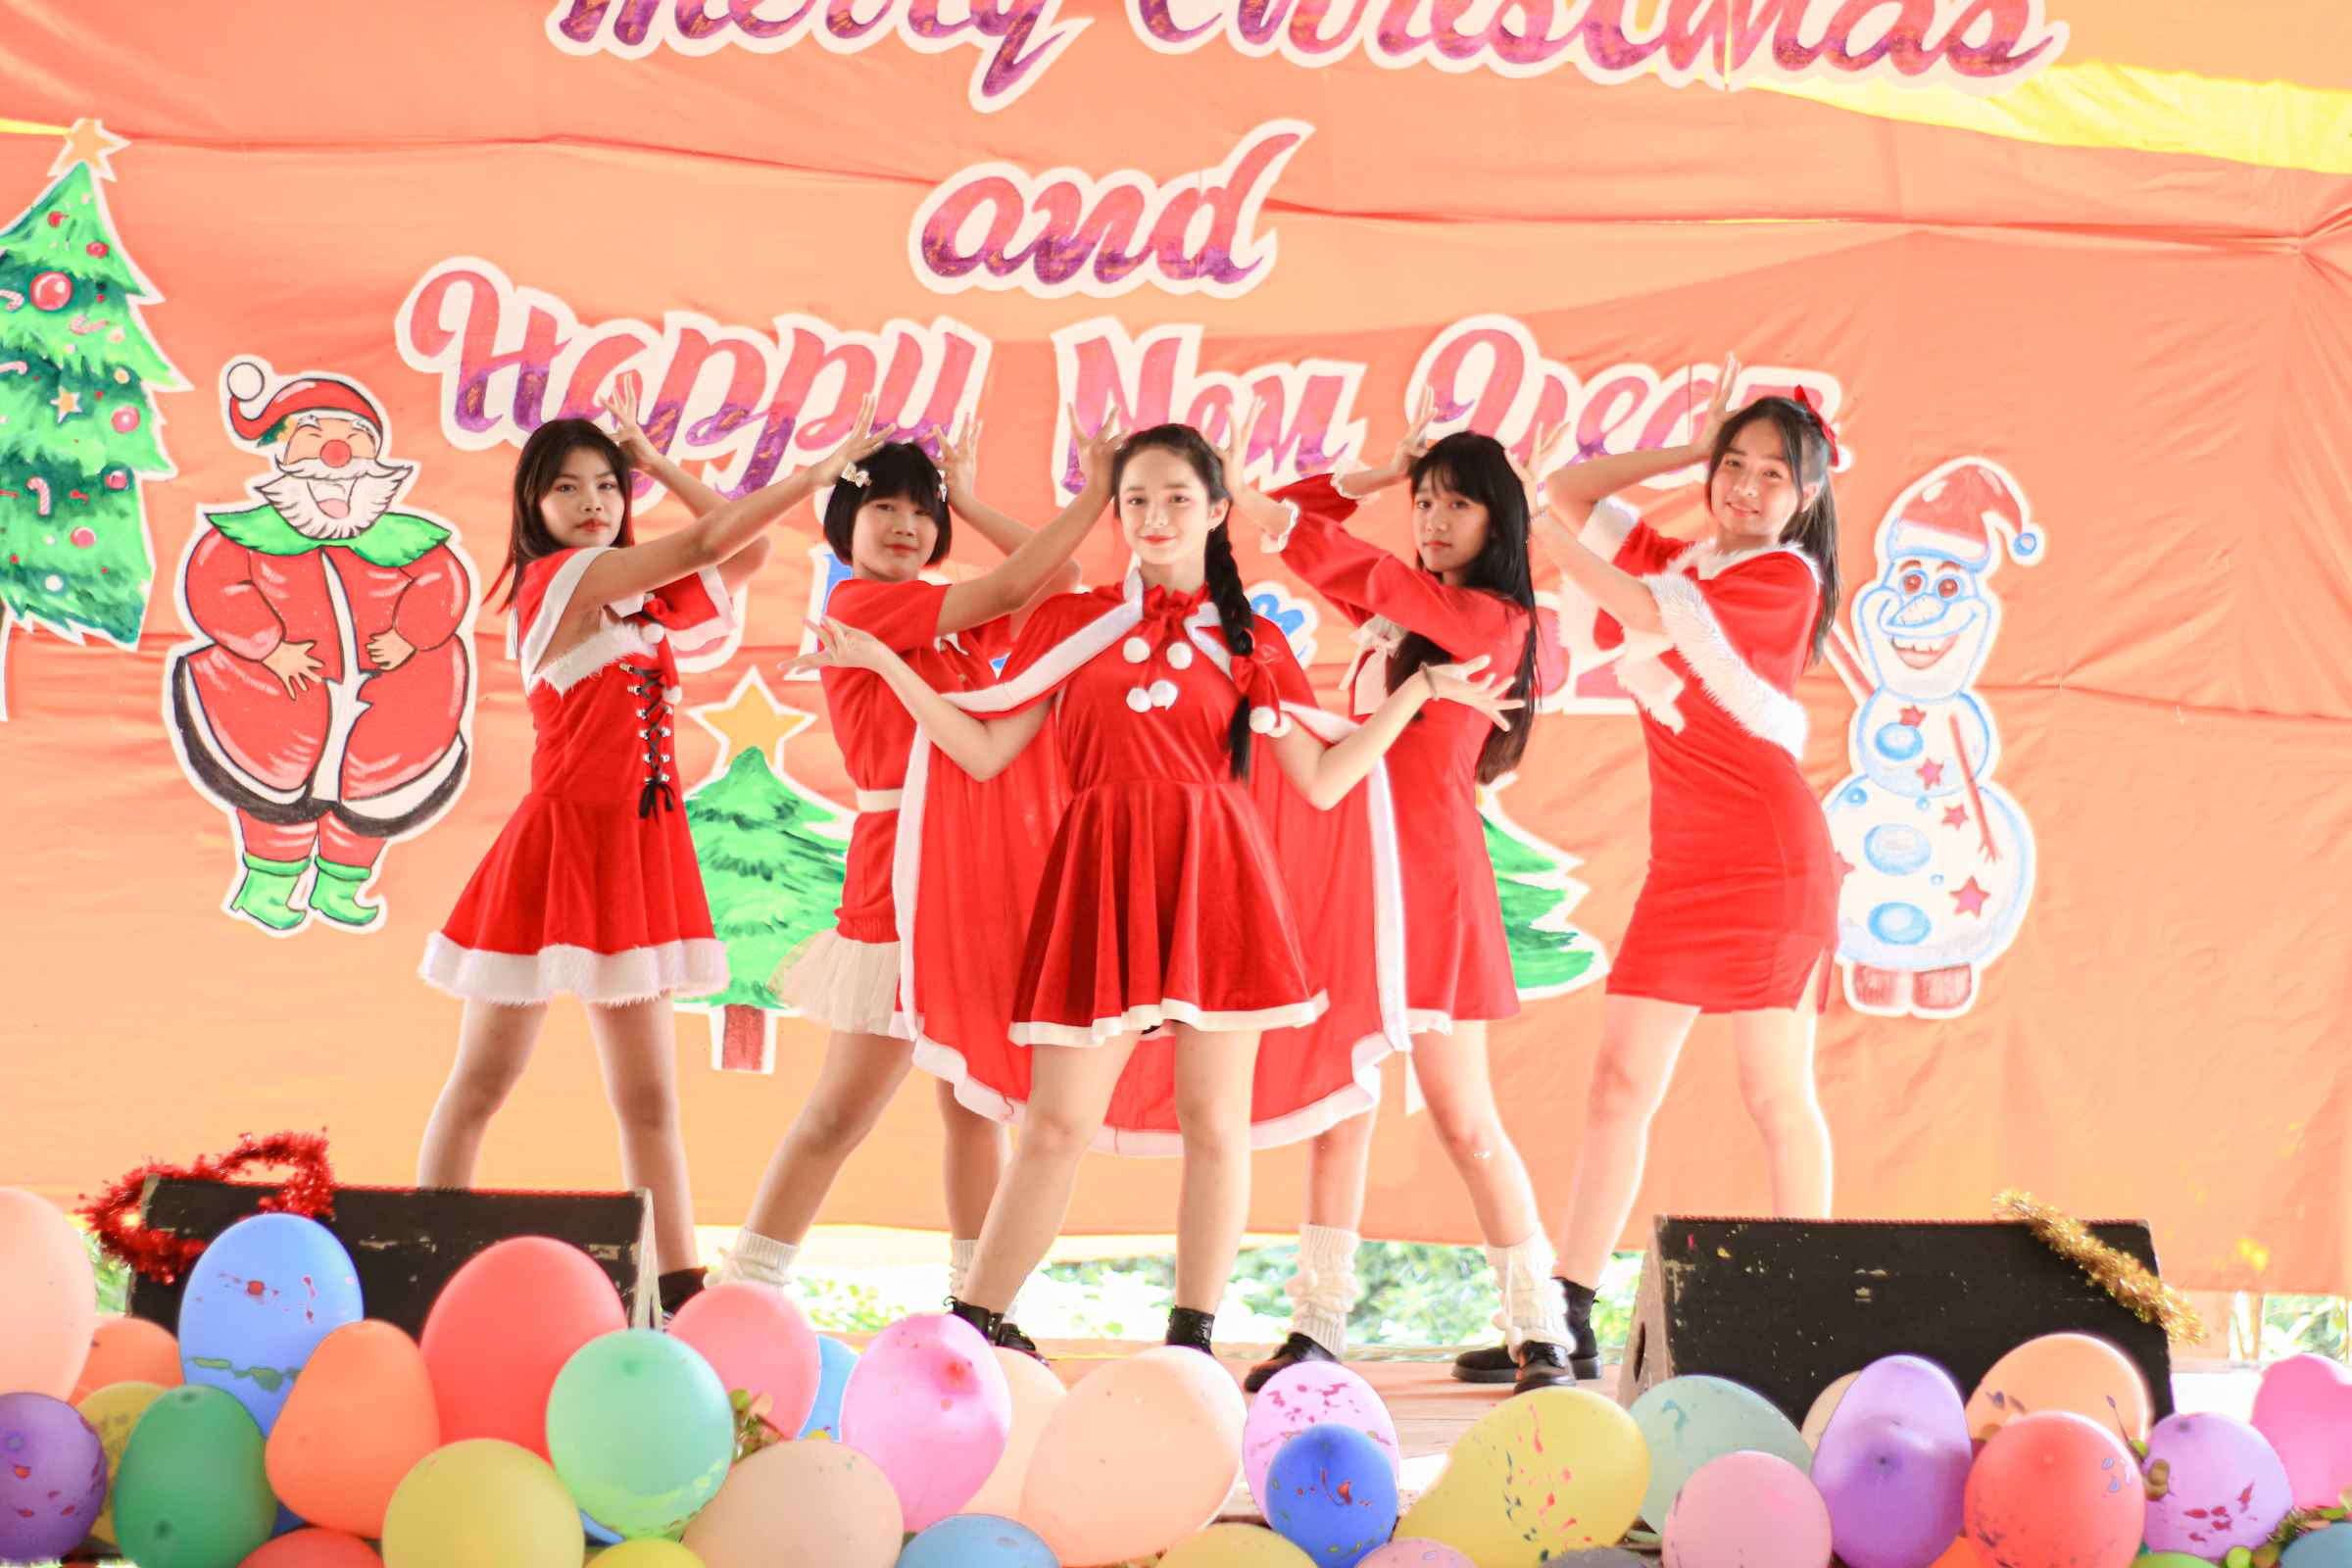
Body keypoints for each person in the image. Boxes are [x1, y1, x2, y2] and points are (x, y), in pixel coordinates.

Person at [791, 421, 1518, 1358]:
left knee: (1215, 1124)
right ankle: (977, 1327)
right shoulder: (1073, 623)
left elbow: (1321, 780)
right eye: (1136, 499)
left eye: (1178, 498)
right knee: (1056, 1124)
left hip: (1222, 887)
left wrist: (1417, 696)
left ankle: (1192, 1344)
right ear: (1117, 510)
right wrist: (886, 663)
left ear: (1216, 512)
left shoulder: (1251, 638)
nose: (1155, 516)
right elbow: (981, 747)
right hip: (1098, 881)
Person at [416, 402, 881, 1320]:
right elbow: (712, 538)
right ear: (533, 505)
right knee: (483, 1081)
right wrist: (813, 473)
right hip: (562, 851)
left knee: (649, 1099)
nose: (593, 502)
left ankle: (678, 1290)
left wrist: (658, 464)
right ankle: (424, 1261)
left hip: (634, 856)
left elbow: (745, 553)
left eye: (606, 485)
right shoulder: (561, 579)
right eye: (567, 487)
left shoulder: (637, 597)